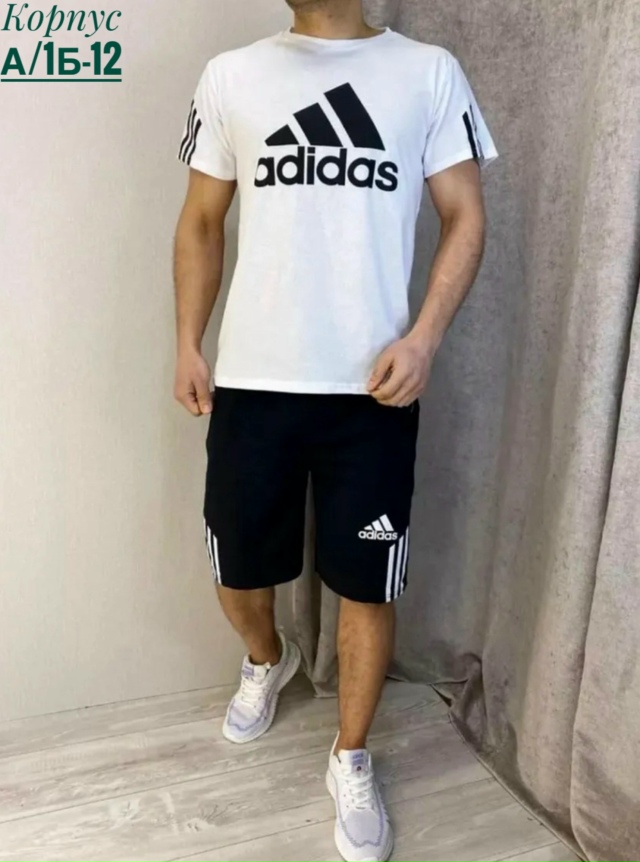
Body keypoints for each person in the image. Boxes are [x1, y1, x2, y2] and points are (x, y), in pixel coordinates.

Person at [174, 1, 497, 859]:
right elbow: (201, 220)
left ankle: (350, 755)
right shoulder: (232, 76)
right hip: (253, 383)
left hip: (373, 395)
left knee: (367, 585)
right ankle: (266, 657)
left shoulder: (427, 74)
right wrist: (188, 342)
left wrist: (424, 339)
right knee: (239, 568)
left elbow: (466, 215)